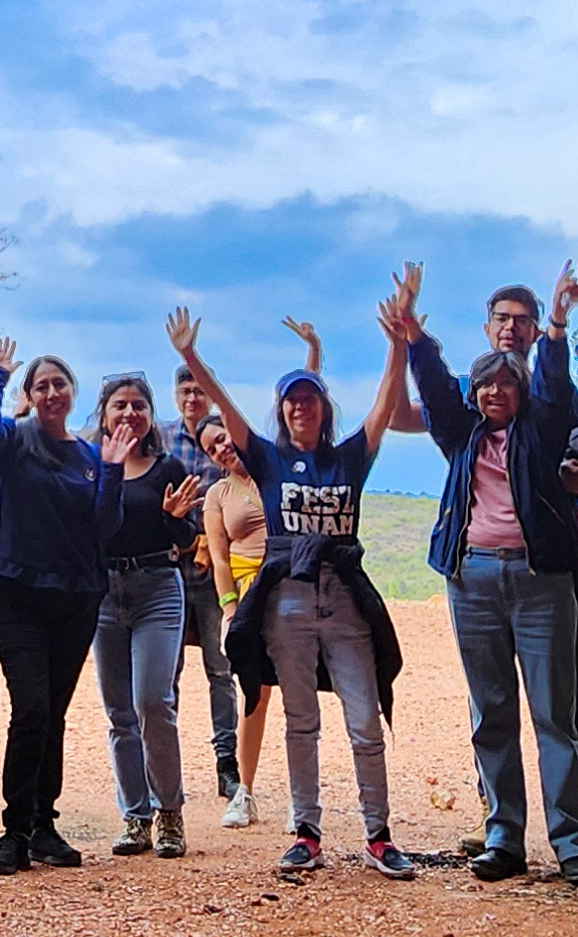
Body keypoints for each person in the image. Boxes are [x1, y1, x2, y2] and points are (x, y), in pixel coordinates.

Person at [164, 296, 418, 882]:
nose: (302, 407)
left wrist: (398, 344)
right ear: (282, 411)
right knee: (300, 719)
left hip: (345, 598)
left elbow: (384, 406)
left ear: (324, 409)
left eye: (311, 399)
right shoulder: (269, 459)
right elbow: (226, 407)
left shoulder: (349, 458)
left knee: (364, 719)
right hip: (288, 601)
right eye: (292, 400)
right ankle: (307, 832)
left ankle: (378, 835)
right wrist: (191, 357)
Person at [408, 264, 578, 888]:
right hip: (474, 581)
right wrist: (413, 334)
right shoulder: (461, 435)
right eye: (485, 385)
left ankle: (572, 845)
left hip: (541, 580)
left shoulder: (541, 427)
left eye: (505, 384)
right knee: (491, 712)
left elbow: (553, 382)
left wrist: (559, 324)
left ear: (521, 392)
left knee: (554, 715)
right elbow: (436, 386)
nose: (494, 392)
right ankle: (504, 837)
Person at [494, 266, 578, 866]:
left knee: (575, 687)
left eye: (523, 321)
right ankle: (497, 819)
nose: (512, 329)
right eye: (503, 319)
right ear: (488, 327)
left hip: (559, 560)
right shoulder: (476, 391)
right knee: (494, 693)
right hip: (487, 565)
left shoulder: (559, 390)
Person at [0, 339, 106, 874]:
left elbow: (105, 524)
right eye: (41, 385)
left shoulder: (91, 457)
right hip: (16, 592)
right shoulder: (13, 440)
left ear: (73, 391)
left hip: (75, 599)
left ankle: (44, 825)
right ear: (30, 394)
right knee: (31, 708)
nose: (52, 393)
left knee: (54, 713)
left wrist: (116, 472)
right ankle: (14, 832)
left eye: (59, 384)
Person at [92, 373, 203, 858]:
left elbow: (188, 540)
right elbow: (95, 529)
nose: (130, 413)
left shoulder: (167, 467)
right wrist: (110, 472)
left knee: (153, 701)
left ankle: (169, 812)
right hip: (103, 593)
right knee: (119, 711)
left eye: (139, 405)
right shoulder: (91, 466)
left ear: (151, 414)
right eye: (120, 405)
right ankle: (135, 816)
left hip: (157, 587)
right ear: (104, 414)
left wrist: (174, 519)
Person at [165, 360, 242, 803]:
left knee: (220, 668)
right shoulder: (161, 438)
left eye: (199, 391)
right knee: (166, 671)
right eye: (185, 392)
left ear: (210, 395)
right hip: (171, 569)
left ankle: (226, 763)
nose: (192, 398)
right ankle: (164, 764)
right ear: (176, 397)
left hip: (216, 572)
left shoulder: (227, 441)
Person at [197, 415, 270, 822]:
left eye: (223, 438)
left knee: (301, 691)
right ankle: (245, 790)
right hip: (247, 594)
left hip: (289, 584)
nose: (222, 448)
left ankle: (303, 797)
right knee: (254, 693)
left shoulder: (274, 468)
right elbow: (220, 558)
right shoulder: (218, 494)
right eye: (212, 448)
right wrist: (229, 608)